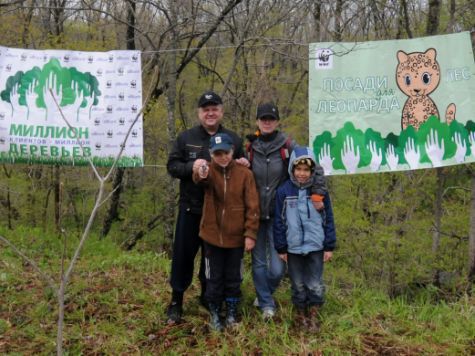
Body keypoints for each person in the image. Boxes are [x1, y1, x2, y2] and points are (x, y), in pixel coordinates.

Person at [166, 90, 247, 325]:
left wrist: (243, 163)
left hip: (220, 213)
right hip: (191, 210)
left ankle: (208, 298)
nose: (210, 113)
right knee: (183, 257)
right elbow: (172, 166)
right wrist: (191, 166)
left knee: (213, 261)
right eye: (206, 109)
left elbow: (241, 169)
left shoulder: (233, 139)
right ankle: (176, 301)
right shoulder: (186, 138)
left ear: (221, 111)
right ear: (199, 113)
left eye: (215, 109)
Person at [247, 102, 327, 319]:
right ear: (257, 121)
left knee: (277, 268)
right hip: (254, 214)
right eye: (263, 118)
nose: (266, 122)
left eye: (270, 119)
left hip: (278, 215)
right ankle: (266, 304)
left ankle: (264, 293)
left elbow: (315, 167)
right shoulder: (249, 147)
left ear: (277, 122)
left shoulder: (287, 146)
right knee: (259, 263)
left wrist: (317, 194)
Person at [192, 133, 259, 331]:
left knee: (234, 277)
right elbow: (199, 179)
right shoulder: (209, 171)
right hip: (211, 237)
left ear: (232, 151)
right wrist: (200, 171)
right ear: (212, 154)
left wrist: (250, 234)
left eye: (226, 152)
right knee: (213, 278)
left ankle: (231, 311)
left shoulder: (245, 174)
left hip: (236, 238)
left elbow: (253, 207)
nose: (223, 157)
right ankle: (214, 311)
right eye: (218, 153)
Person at [273, 146, 336, 331]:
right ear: (292, 170)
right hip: (292, 248)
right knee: (298, 284)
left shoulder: (319, 193)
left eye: (306, 170)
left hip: (316, 246)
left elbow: (329, 219)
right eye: (298, 169)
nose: (302, 174)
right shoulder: (283, 192)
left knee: (314, 283)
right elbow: (279, 221)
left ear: (312, 171)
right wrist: (281, 248)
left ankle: (314, 314)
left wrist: (329, 246)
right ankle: (301, 314)